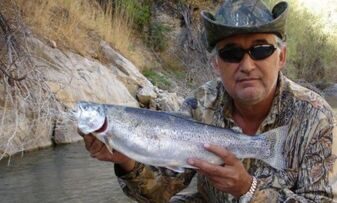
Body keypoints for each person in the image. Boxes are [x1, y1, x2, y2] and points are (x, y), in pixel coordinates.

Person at [81, 0, 337, 202]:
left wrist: (249, 190)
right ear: (216, 64)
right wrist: (125, 158)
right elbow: (159, 193)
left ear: (281, 57)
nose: (247, 65)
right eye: (232, 53)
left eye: (261, 50)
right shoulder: (200, 104)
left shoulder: (316, 116)